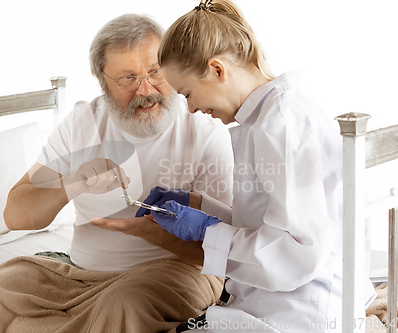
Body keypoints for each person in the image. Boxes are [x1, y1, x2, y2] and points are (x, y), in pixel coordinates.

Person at [0, 14, 235, 333]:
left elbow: (225, 251)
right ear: (101, 79)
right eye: (128, 79)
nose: (147, 90)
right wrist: (72, 184)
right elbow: (15, 215)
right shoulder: (82, 124)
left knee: (123, 306)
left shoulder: (205, 133)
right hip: (80, 275)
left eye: (155, 72)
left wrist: (153, 233)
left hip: (177, 273)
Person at [138, 1, 377, 332]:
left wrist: (206, 228)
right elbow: (273, 222)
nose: (191, 109)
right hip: (291, 298)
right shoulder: (271, 115)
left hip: (302, 312)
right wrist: (199, 206)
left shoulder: (279, 124)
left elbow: (297, 252)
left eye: (188, 93)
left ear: (218, 70)